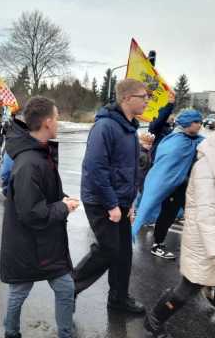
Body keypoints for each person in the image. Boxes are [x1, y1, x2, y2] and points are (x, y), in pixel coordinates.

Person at [0, 96, 79, 338]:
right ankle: (11, 333)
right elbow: (32, 213)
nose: (58, 123)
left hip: (46, 243)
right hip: (27, 245)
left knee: (65, 288)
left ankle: (66, 333)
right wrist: (63, 208)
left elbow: (44, 193)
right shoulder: (29, 162)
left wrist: (63, 199)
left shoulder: (40, 153)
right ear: (46, 122)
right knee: (18, 293)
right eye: (56, 118)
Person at [73, 79, 148, 314]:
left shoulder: (129, 127)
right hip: (101, 200)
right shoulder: (105, 127)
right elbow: (96, 169)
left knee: (124, 253)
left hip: (122, 201)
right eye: (143, 96)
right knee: (108, 249)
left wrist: (130, 203)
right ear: (127, 98)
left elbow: (128, 169)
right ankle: (69, 288)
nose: (147, 101)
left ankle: (118, 299)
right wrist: (112, 204)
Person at [144, 133, 215, 338]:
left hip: (208, 237)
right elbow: (206, 211)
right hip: (204, 240)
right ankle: (154, 320)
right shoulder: (206, 166)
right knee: (188, 287)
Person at [133, 110, 204, 259]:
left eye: (200, 121)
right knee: (167, 215)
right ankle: (157, 245)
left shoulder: (198, 140)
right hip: (173, 186)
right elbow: (164, 166)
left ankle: (198, 249)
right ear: (187, 123)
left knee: (196, 217)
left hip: (189, 187)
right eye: (196, 121)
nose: (200, 124)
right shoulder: (175, 141)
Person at [149, 92, 175, 159]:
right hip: (156, 158)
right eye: (169, 115)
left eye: (172, 114)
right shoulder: (155, 126)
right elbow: (161, 118)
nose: (172, 117)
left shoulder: (172, 127)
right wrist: (170, 104)